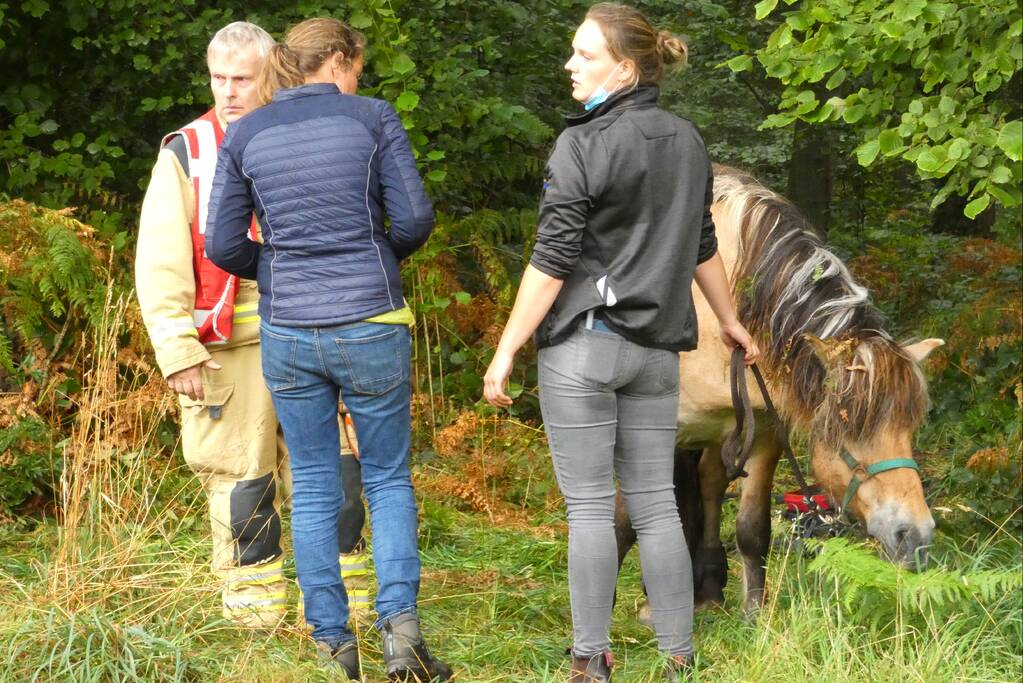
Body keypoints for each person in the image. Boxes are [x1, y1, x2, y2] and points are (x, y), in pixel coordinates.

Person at [482, 4, 759, 682]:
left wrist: (507, 347)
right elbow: (700, 246)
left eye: (584, 54)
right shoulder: (688, 141)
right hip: (657, 350)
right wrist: (728, 319)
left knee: (587, 507)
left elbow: (551, 262)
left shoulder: (580, 144)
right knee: (657, 502)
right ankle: (677, 656)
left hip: (585, 346)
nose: (569, 65)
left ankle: (589, 659)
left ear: (624, 68)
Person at [205, 17, 452, 682]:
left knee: (311, 485)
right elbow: (416, 218)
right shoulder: (372, 118)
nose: (359, 80)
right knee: (386, 476)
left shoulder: (246, 131)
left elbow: (221, 244)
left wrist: (282, 268)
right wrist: (373, 258)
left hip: (287, 329)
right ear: (339, 60)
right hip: (371, 318)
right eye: (357, 67)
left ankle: (331, 644)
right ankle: (401, 635)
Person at [136, 20, 370, 631]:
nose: (229, 91)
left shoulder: (310, 134)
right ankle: (256, 623)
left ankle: (351, 611)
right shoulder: (187, 150)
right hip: (227, 352)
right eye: (218, 78)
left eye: (242, 78)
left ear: (271, 73)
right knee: (243, 477)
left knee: (340, 472)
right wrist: (177, 348)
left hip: (316, 333)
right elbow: (159, 261)